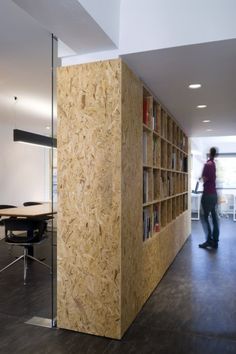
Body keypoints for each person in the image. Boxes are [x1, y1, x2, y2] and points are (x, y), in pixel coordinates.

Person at [199, 147, 219, 249]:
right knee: (214, 218)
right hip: (214, 194)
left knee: (204, 217)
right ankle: (215, 241)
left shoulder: (207, 164)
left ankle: (209, 240)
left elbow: (204, 178)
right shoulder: (214, 164)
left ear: (209, 153)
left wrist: (201, 178)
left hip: (207, 195)